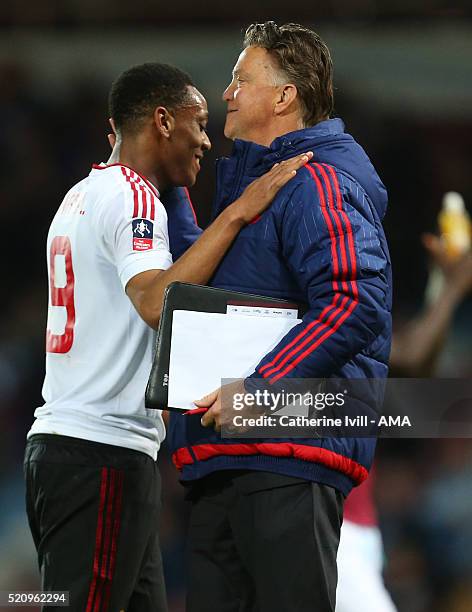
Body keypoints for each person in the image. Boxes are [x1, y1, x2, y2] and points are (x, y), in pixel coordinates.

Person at [23, 62, 310, 612]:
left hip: (80, 451)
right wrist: (238, 214)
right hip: (99, 453)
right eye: (197, 122)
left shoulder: (80, 194)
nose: (206, 138)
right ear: (161, 120)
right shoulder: (133, 198)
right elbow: (157, 302)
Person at [167, 22, 392, 612]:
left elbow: (354, 302)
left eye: (242, 79)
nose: (227, 94)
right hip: (230, 454)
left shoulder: (315, 180)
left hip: (288, 449)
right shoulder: (252, 189)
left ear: (285, 97)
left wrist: (258, 392)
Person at [336, 230, 472, 612]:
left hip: (358, 529)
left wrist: (443, 287)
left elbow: (415, 366)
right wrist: (453, 285)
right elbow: (411, 358)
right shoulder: (322, 325)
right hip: (333, 529)